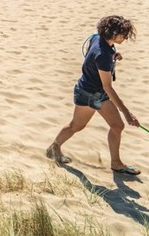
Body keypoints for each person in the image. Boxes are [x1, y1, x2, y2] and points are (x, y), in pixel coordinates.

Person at [46, 16, 141, 175]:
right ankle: (54, 148)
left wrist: (113, 56)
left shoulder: (97, 38)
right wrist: (127, 113)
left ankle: (115, 163)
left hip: (91, 91)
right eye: (123, 34)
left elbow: (94, 56)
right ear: (113, 33)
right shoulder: (102, 55)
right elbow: (108, 87)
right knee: (78, 125)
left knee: (113, 126)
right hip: (91, 94)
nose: (125, 37)